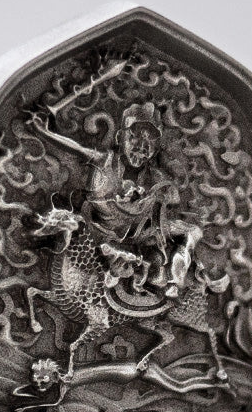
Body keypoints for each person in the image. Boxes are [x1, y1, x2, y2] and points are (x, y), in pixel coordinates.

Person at [28, 102, 201, 298]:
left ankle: (176, 269)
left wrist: (153, 198)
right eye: (135, 139)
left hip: (140, 234)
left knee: (191, 232)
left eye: (148, 145)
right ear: (120, 138)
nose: (141, 148)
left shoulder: (154, 177)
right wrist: (43, 131)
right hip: (101, 234)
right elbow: (74, 148)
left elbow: (171, 200)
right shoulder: (104, 161)